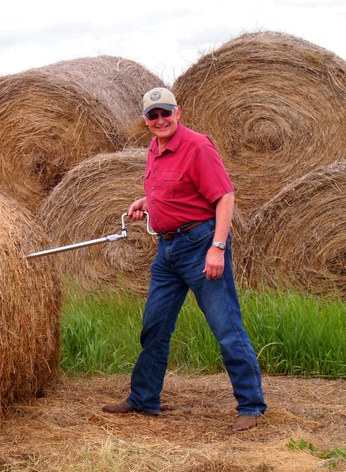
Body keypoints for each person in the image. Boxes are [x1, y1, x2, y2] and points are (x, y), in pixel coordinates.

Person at [102, 87, 266, 432]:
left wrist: (217, 247)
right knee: (155, 325)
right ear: (146, 120)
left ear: (179, 112)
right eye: (153, 115)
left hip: (200, 245)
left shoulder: (197, 147)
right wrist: (146, 202)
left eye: (166, 113)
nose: (160, 120)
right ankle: (144, 399)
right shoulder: (154, 147)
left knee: (225, 326)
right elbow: (172, 188)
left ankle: (251, 405)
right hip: (167, 250)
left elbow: (224, 198)